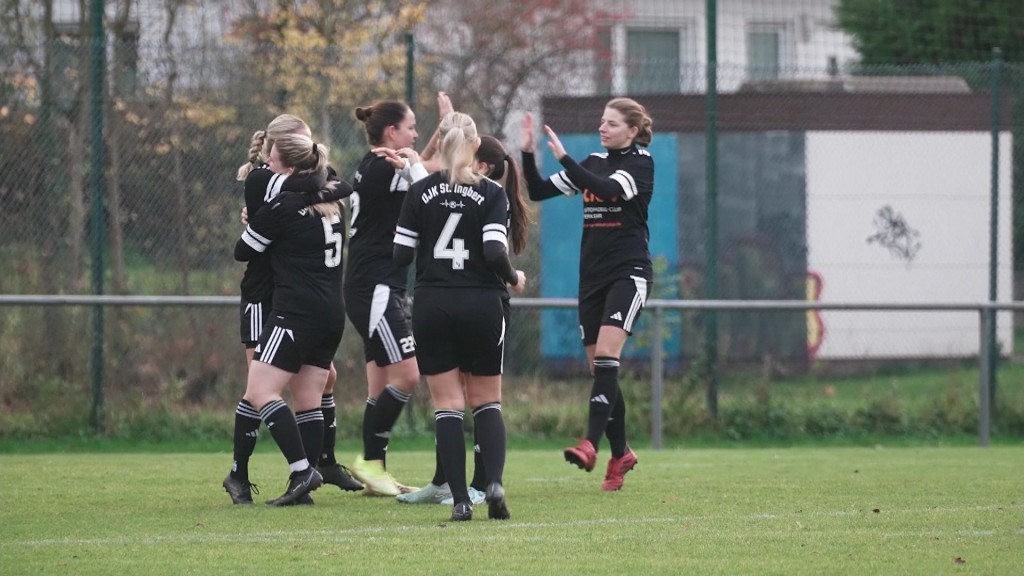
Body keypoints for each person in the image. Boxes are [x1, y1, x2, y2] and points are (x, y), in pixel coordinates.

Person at [393, 112, 526, 521]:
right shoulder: (491, 193)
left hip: (433, 304)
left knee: (447, 406)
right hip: (481, 304)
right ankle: (494, 485)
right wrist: (514, 277)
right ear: (473, 148)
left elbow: (400, 255)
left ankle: (461, 502)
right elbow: (492, 252)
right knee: (487, 402)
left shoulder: (420, 191)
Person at [224, 115, 361, 506]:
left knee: (261, 389)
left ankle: (304, 470)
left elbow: (243, 250)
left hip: (293, 305)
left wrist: (270, 215)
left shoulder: (289, 198)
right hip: (312, 304)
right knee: (300, 393)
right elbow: (336, 183)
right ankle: (271, 476)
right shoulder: (320, 195)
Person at [519, 97, 654, 492]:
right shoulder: (592, 161)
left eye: (612, 123)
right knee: (601, 369)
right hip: (591, 279)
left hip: (627, 274)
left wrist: (564, 158)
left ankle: (590, 445)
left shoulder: (640, 163)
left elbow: (609, 190)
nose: (603, 127)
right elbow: (539, 191)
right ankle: (622, 453)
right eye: (602, 121)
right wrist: (528, 153)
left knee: (609, 357)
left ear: (631, 131)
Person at [345, 94, 451, 496]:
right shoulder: (384, 169)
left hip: (369, 285)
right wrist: (452, 128)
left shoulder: (379, 165)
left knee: (379, 387)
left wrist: (441, 132)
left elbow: (418, 162)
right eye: (410, 127)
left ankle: (375, 475)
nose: (416, 133)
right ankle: (369, 464)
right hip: (375, 287)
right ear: (392, 132)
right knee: (407, 374)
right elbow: (432, 169)